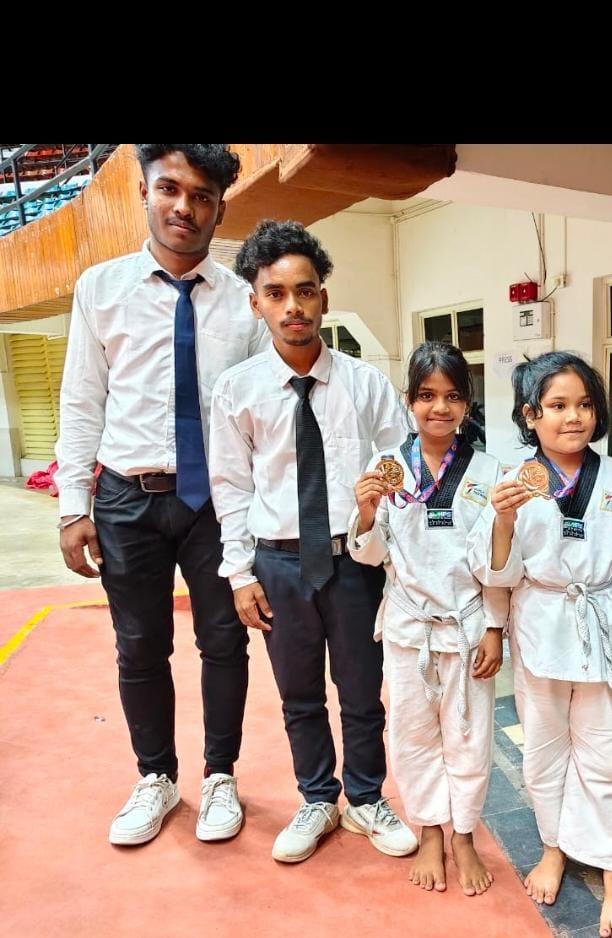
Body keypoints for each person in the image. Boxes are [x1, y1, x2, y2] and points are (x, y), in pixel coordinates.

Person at [56, 144, 267, 846]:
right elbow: (82, 399)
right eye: (170, 188)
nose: (184, 206)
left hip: (217, 503)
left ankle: (219, 777)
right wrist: (73, 507)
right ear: (143, 191)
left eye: (202, 195)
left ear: (220, 209)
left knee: (224, 641)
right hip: (127, 496)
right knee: (140, 646)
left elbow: (263, 412)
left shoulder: (244, 299)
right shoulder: (100, 288)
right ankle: (156, 777)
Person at [208, 220, 416, 862]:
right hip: (278, 565)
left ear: (323, 296)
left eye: (304, 291)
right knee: (299, 695)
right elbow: (230, 487)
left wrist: (390, 551)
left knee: (362, 691)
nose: (292, 306)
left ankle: (367, 798)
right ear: (256, 303)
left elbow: (403, 471)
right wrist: (240, 574)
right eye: (275, 293)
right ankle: (318, 799)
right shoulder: (237, 390)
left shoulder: (366, 384)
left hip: (353, 562)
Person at [468, 352, 612, 938]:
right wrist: (502, 522)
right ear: (531, 415)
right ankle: (554, 846)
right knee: (545, 750)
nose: (573, 417)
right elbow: (493, 574)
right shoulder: (511, 483)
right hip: (540, 627)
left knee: (607, 753)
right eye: (557, 405)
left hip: (605, 625)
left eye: (584, 405)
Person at [350, 341, 506, 896]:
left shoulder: (489, 471)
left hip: (467, 627)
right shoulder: (386, 466)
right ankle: (431, 831)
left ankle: (463, 834)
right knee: (412, 734)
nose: (439, 407)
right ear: (409, 400)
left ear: (467, 402)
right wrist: (366, 511)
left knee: (469, 735)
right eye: (426, 395)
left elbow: (498, 560)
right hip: (408, 626)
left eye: (452, 396)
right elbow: (369, 555)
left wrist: (495, 627)